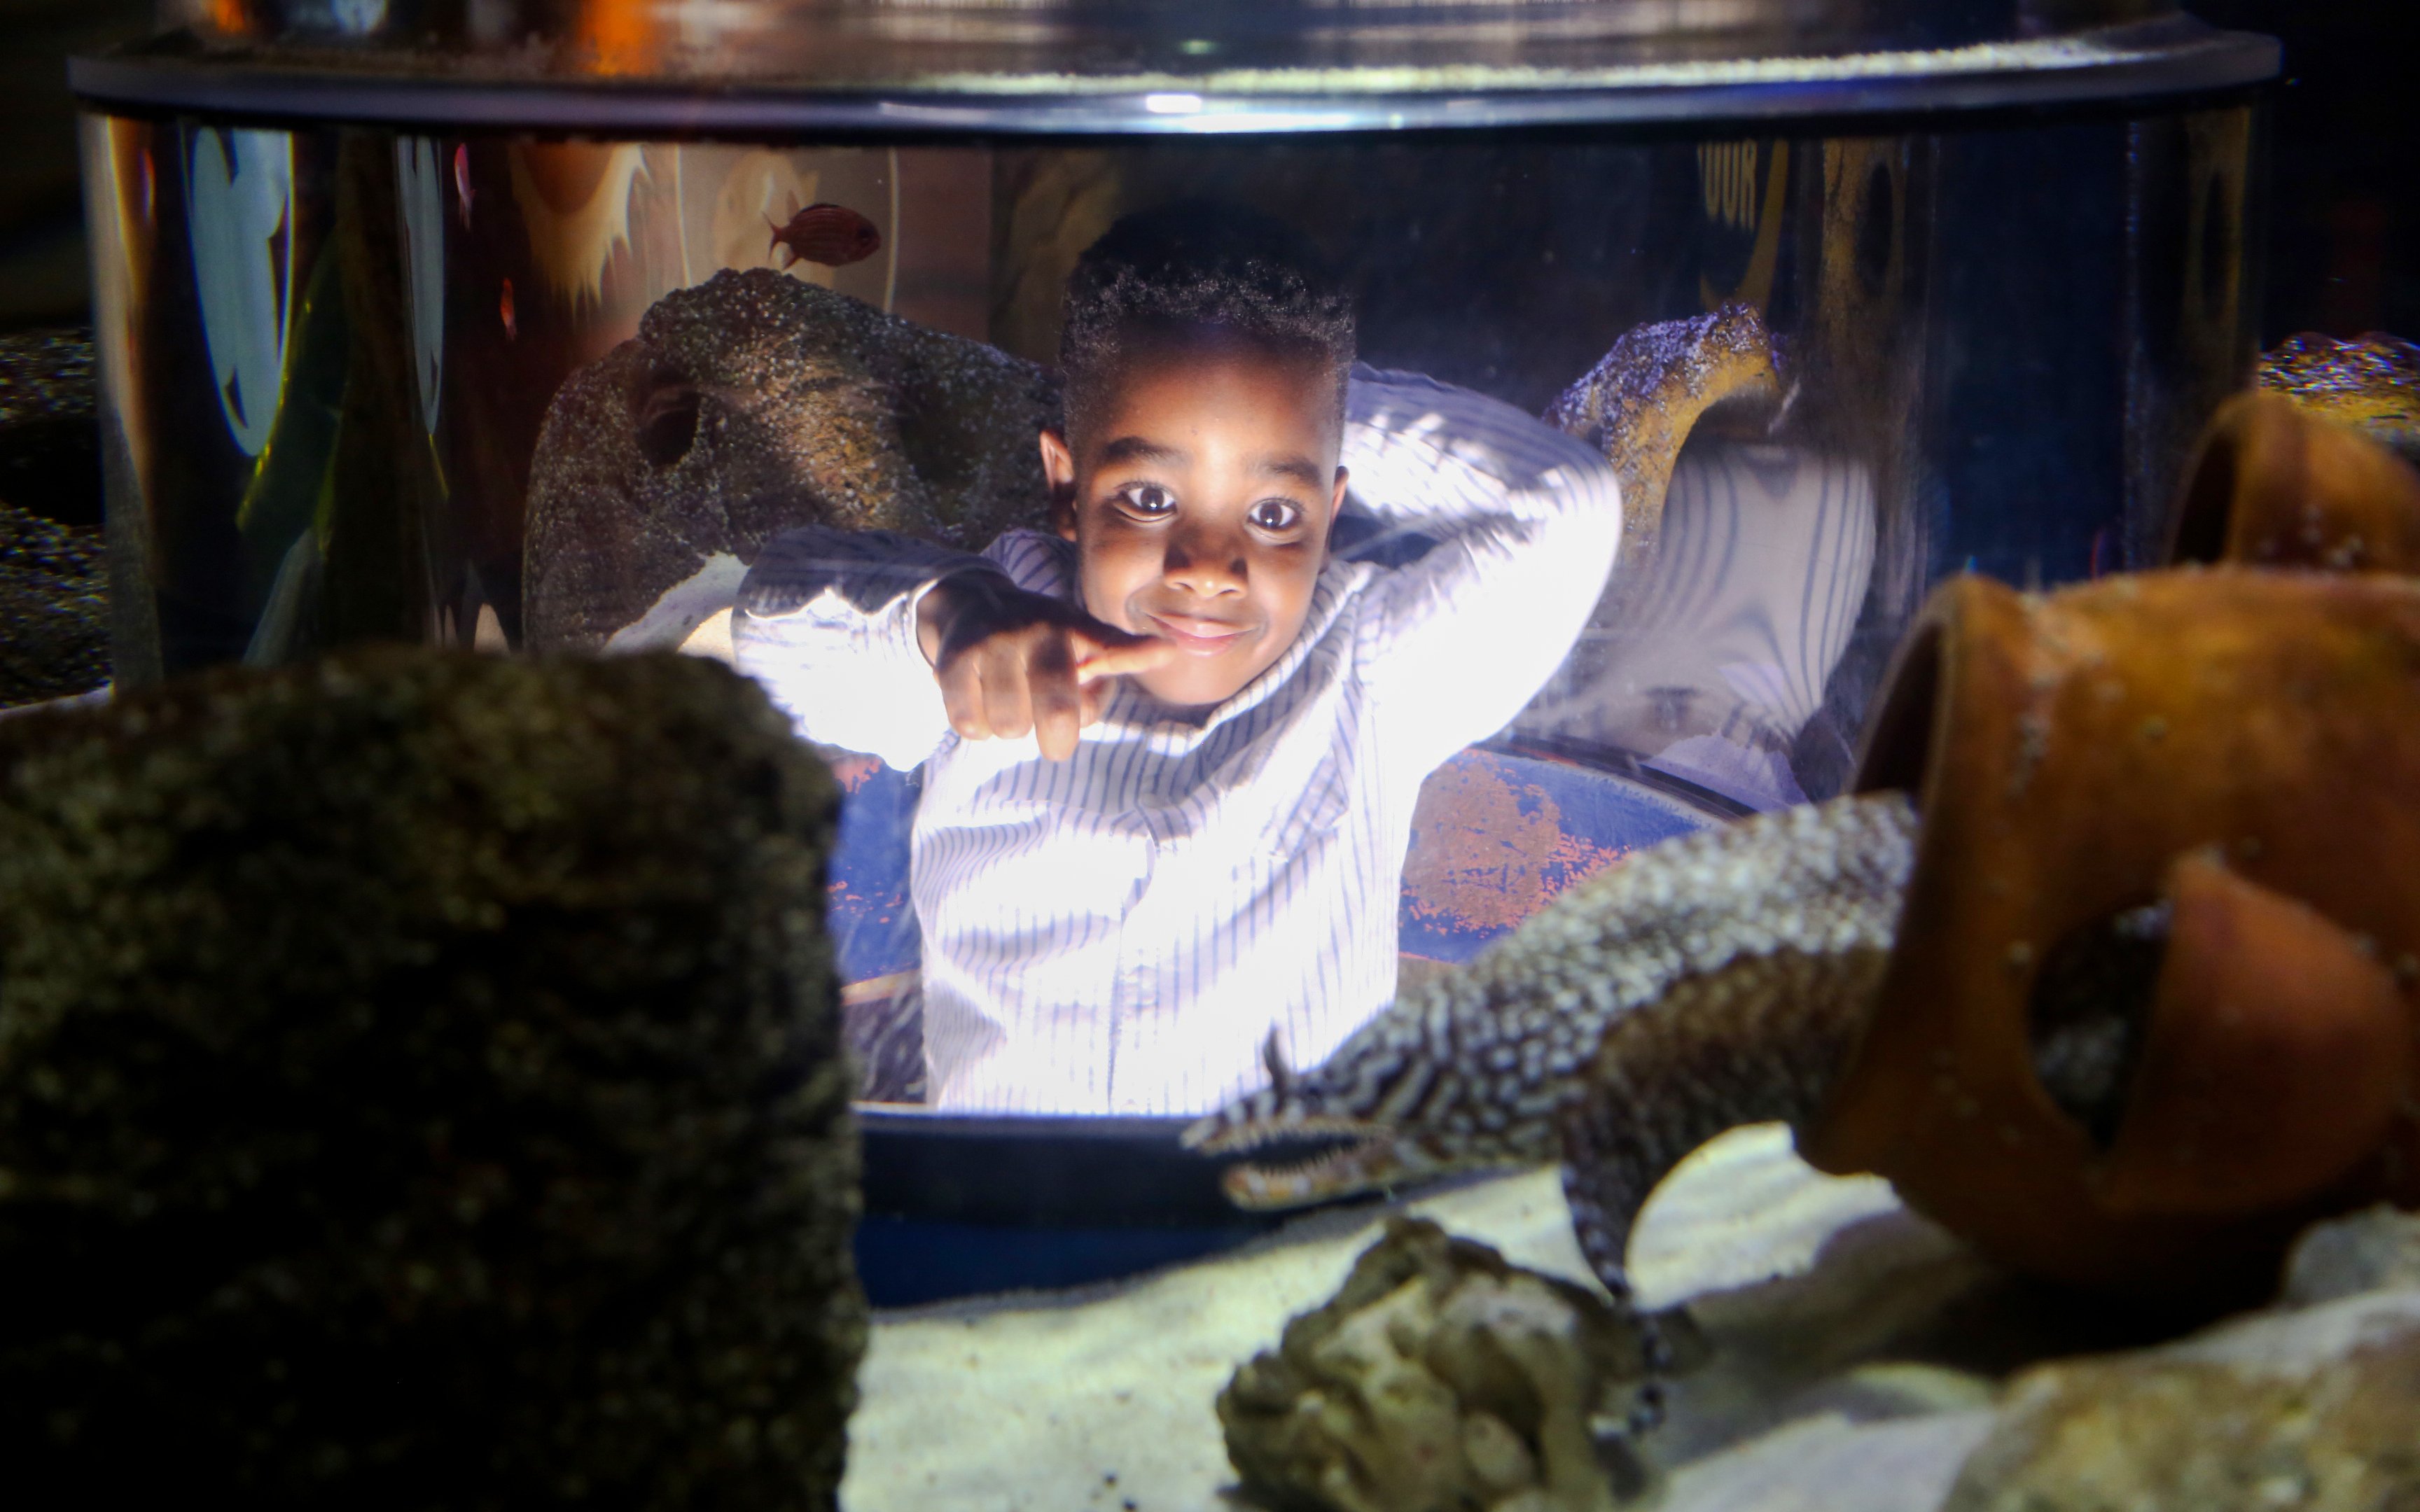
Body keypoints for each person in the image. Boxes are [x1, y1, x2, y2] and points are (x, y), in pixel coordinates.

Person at [733, 202, 1623, 1114]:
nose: (1208, 566)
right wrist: (941, 617)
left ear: (1331, 509)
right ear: (1067, 489)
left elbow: (1567, 503)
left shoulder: (1373, 676)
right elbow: (766, 643)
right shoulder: (994, 644)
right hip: (1012, 1221)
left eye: (1275, 514)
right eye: (1152, 496)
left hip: (1276, 1234)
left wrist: (1294, 404)